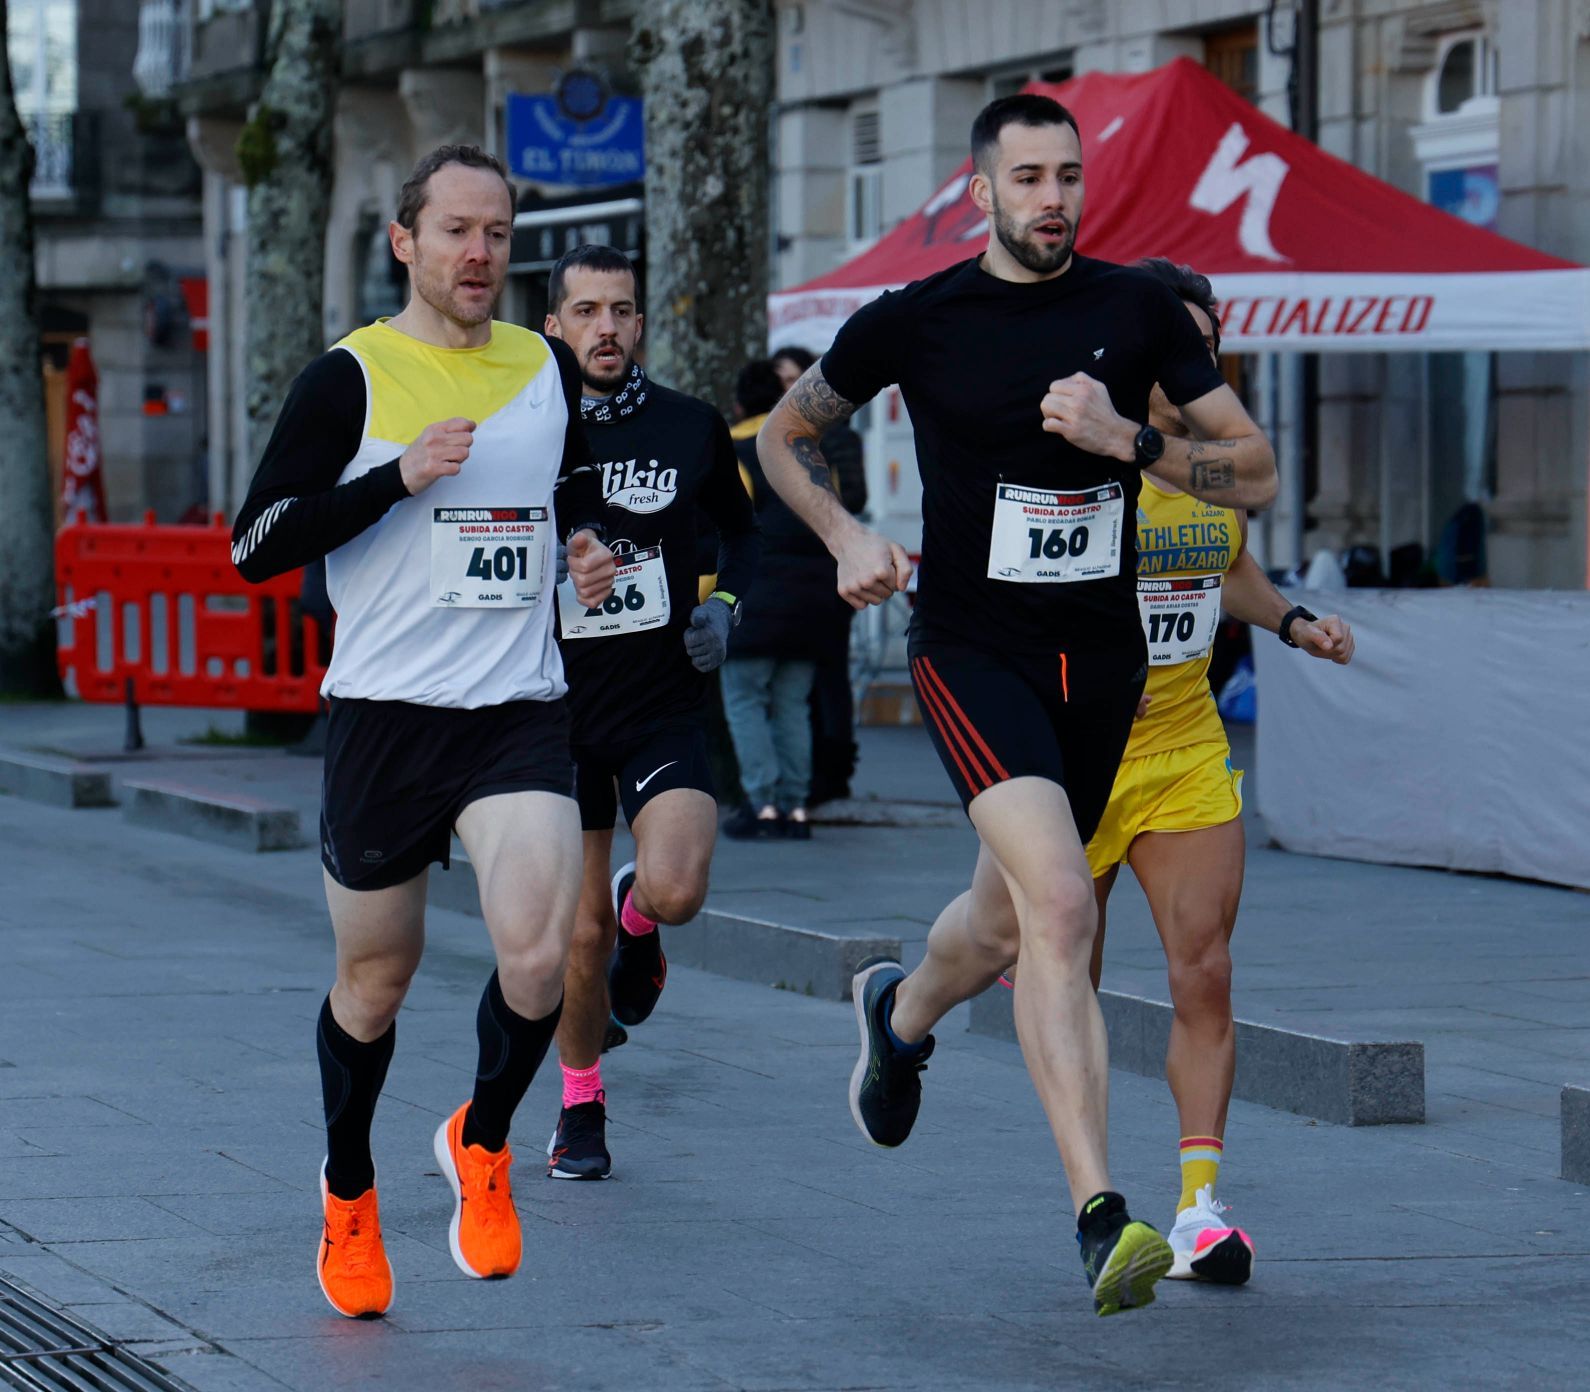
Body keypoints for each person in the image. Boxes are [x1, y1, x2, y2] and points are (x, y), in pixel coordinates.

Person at [756, 94, 1278, 1317]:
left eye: (1069, 178)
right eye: (1028, 177)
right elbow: (784, 437)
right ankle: (1104, 1214)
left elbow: (1251, 466)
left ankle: (901, 1010)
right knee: (1057, 903)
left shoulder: (1138, 309)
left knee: (996, 922)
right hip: (973, 649)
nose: (1053, 199)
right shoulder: (920, 319)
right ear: (979, 190)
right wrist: (841, 535)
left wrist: (1126, 443)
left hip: (1100, 666)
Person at [230, 145, 615, 1319]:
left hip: (516, 712)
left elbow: (571, 487)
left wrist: (587, 546)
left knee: (543, 951)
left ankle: (483, 1140)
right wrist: (394, 478)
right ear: (405, 241)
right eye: (455, 231)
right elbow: (255, 545)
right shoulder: (347, 377)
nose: (478, 254)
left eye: (497, 233)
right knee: (375, 980)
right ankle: (350, 1190)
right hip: (384, 718)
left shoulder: (545, 364)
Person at [1004, 257, 1356, 1287]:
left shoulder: (1216, 467)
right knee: (1058, 976)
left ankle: (1200, 1209)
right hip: (1071, 753)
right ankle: (1096, 1200)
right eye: (1186, 340)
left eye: (1212, 342)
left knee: (1203, 972)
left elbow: (1222, 559)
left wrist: (1291, 620)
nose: (1205, 359)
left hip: (1184, 751)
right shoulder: (1072, 447)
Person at [541, 244, 759, 1179]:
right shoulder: (525, 435)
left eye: (620, 311)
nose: (605, 328)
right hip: (553, 709)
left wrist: (723, 609)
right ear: (554, 326)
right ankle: (580, 1107)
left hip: (662, 699)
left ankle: (644, 917)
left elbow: (746, 536)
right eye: (584, 311)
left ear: (640, 323)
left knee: (674, 891)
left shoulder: (690, 425)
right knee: (575, 933)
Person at [721, 360, 836, 839]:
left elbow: (726, 527)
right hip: (811, 602)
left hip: (755, 598)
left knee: (745, 699)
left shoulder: (734, 450)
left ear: (739, 403)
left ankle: (761, 803)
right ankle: (796, 807)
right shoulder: (810, 453)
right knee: (793, 703)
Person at [772, 346, 867, 805]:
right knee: (798, 678)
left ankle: (835, 766)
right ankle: (806, 770)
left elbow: (859, 495)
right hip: (794, 571)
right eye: (780, 381)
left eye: (794, 379)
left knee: (829, 674)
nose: (787, 390)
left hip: (832, 566)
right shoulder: (771, 440)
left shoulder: (841, 437)